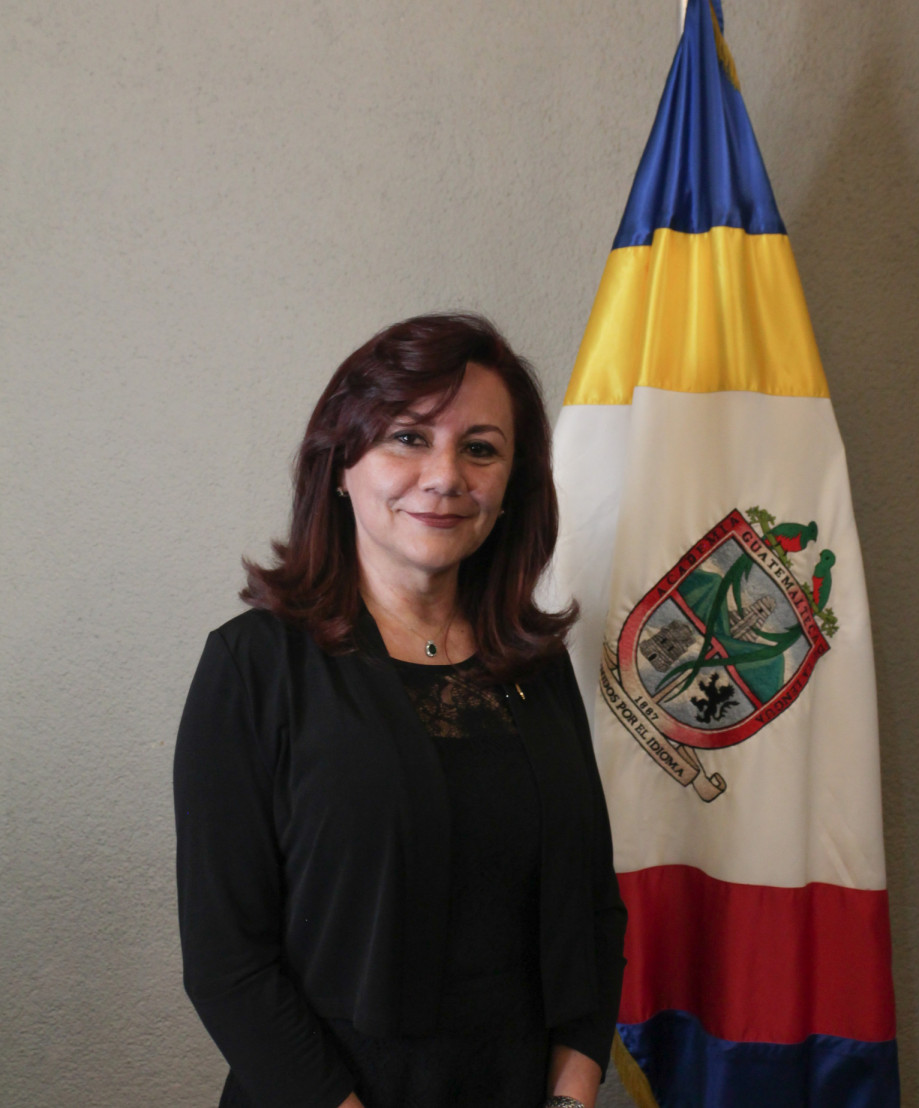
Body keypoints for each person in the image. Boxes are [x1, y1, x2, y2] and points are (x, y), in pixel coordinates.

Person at [174, 313, 627, 1108]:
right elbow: (227, 963)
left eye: (480, 448)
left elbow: (593, 914)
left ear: (512, 491)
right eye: (409, 438)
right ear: (340, 465)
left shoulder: (538, 670)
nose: (446, 474)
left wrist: (572, 1094)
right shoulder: (253, 668)